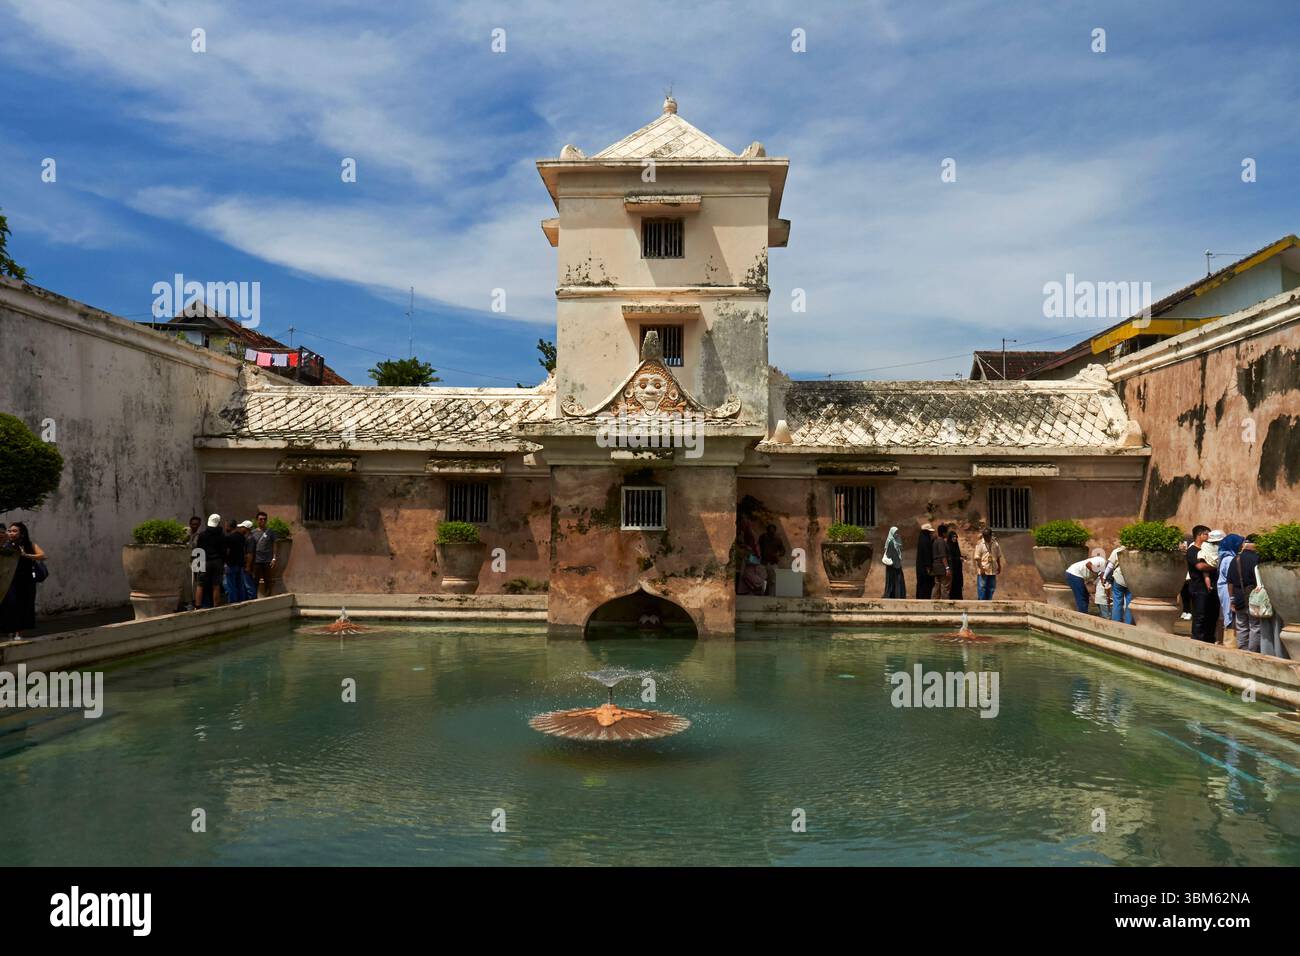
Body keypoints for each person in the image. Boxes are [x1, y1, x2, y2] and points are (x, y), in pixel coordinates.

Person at [0, 523, 45, 639]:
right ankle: (9, 629)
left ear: (22, 533)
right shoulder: (6, 545)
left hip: (26, 581)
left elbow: (42, 556)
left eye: (14, 531)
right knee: (10, 605)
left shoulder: (29, 545)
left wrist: (26, 555)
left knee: (23, 606)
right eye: (9, 531)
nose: (11, 533)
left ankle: (18, 632)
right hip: (10, 580)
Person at [1218, 534, 1254, 652]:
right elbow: (1231, 580)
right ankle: (1238, 647)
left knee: (1237, 621)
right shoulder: (1230, 559)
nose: (1241, 546)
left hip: (1232, 592)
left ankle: (1239, 647)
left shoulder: (1229, 557)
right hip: (1236, 592)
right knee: (1237, 621)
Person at [1187, 525, 1218, 644]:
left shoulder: (1209, 550)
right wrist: (1215, 566)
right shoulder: (1192, 551)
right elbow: (1200, 566)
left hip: (1212, 589)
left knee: (1212, 616)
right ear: (1200, 535)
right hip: (1199, 588)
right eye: (1207, 534)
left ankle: (1209, 640)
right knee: (1200, 616)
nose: (1209, 537)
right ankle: (1197, 641)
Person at [195, 514, 226, 608]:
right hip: (217, 561)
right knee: (216, 585)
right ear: (218, 522)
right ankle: (216, 606)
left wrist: (196, 565)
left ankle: (198, 606)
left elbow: (198, 550)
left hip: (204, 561)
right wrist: (222, 562)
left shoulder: (202, 535)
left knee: (200, 584)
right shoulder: (221, 535)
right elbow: (224, 551)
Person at [248, 511, 277, 599]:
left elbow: (275, 544)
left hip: (267, 560)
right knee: (255, 581)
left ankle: (268, 598)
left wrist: (274, 558)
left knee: (268, 581)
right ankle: (254, 598)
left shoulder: (270, 532)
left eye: (265, 519)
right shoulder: (253, 533)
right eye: (261, 519)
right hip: (256, 561)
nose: (263, 521)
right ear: (257, 520)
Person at [1103, 545, 1134, 625]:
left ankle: (1116, 623)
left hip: (1119, 579)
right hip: (1132, 580)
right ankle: (1128, 624)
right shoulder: (1136, 551)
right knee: (1130, 603)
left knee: (1117, 602)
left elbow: (1110, 566)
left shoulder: (1117, 551)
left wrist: (1104, 576)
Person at [972, 527, 1003, 600]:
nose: (986, 538)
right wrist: (981, 568)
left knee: (991, 587)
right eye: (984, 536)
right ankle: (981, 603)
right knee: (982, 588)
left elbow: (998, 555)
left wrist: (999, 565)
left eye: (987, 536)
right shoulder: (980, 544)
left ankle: (989, 602)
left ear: (990, 535)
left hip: (993, 569)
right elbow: (977, 558)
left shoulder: (995, 543)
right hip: (984, 569)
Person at [223, 519, 248, 603]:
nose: (225, 527)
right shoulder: (242, 537)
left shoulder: (228, 538)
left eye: (226, 525)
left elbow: (227, 551)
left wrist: (225, 562)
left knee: (231, 585)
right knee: (240, 585)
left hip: (231, 564)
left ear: (229, 526)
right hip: (240, 564)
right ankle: (242, 601)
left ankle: (233, 603)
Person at [758, 523, 785, 597]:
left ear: (775, 531)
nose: (771, 532)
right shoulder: (763, 537)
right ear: (767, 531)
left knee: (772, 580)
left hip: (773, 562)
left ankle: (771, 595)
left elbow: (783, 550)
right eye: (770, 531)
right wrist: (758, 555)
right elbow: (758, 546)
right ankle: (763, 594)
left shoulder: (778, 539)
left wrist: (778, 554)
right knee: (763, 579)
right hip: (764, 562)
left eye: (773, 531)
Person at [882, 526, 906, 598]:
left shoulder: (895, 541)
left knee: (896, 581)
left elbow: (900, 547)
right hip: (892, 565)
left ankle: (897, 595)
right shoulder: (891, 542)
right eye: (895, 533)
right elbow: (891, 554)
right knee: (893, 581)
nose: (897, 534)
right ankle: (893, 595)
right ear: (892, 533)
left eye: (897, 532)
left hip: (896, 564)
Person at [931, 523, 952, 600]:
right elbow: (943, 556)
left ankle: (933, 602)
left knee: (937, 585)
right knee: (945, 587)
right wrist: (947, 568)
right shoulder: (941, 542)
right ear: (943, 533)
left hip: (936, 567)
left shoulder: (935, 541)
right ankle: (945, 605)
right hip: (942, 568)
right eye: (946, 532)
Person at [915, 523, 935, 599]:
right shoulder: (925, 541)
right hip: (924, 568)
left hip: (920, 567)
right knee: (926, 584)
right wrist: (928, 566)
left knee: (921, 584)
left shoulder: (922, 539)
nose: (930, 533)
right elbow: (927, 554)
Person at [239, 520, 257, 600]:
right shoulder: (246, 538)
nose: (240, 529)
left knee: (248, 584)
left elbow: (250, 554)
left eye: (242, 527)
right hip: (244, 564)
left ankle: (253, 601)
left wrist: (248, 566)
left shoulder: (250, 539)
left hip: (247, 565)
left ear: (246, 528)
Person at [946, 528, 964, 600]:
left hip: (958, 570)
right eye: (953, 537)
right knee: (952, 585)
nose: (955, 538)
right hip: (952, 569)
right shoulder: (948, 546)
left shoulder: (956, 546)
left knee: (958, 585)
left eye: (956, 537)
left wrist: (961, 557)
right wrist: (958, 559)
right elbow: (950, 558)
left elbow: (957, 555)